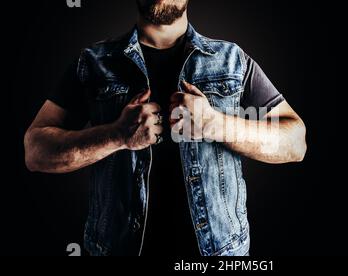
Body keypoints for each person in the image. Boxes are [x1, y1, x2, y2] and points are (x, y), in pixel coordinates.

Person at [24, 0, 307, 256]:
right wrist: (116, 136)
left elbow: (295, 142)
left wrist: (215, 125)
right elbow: (35, 151)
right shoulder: (94, 63)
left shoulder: (232, 60)